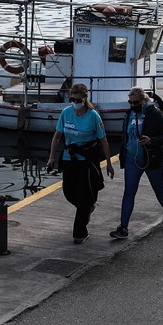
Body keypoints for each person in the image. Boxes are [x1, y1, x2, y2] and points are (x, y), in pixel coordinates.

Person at [47, 83, 114, 244]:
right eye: (72, 99)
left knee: (85, 195)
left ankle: (79, 232)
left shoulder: (93, 116)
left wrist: (109, 163)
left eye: (78, 99)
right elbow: (57, 136)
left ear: (84, 99)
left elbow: (103, 140)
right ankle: (87, 208)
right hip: (69, 158)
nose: (75, 102)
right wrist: (51, 158)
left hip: (87, 160)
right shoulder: (66, 113)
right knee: (69, 192)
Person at [110, 88, 163, 239]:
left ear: (143, 101)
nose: (132, 105)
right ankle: (123, 228)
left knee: (158, 187)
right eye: (130, 102)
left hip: (151, 157)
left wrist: (151, 141)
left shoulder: (154, 113)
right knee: (129, 192)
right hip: (132, 159)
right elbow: (125, 135)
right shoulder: (129, 114)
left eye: (135, 102)